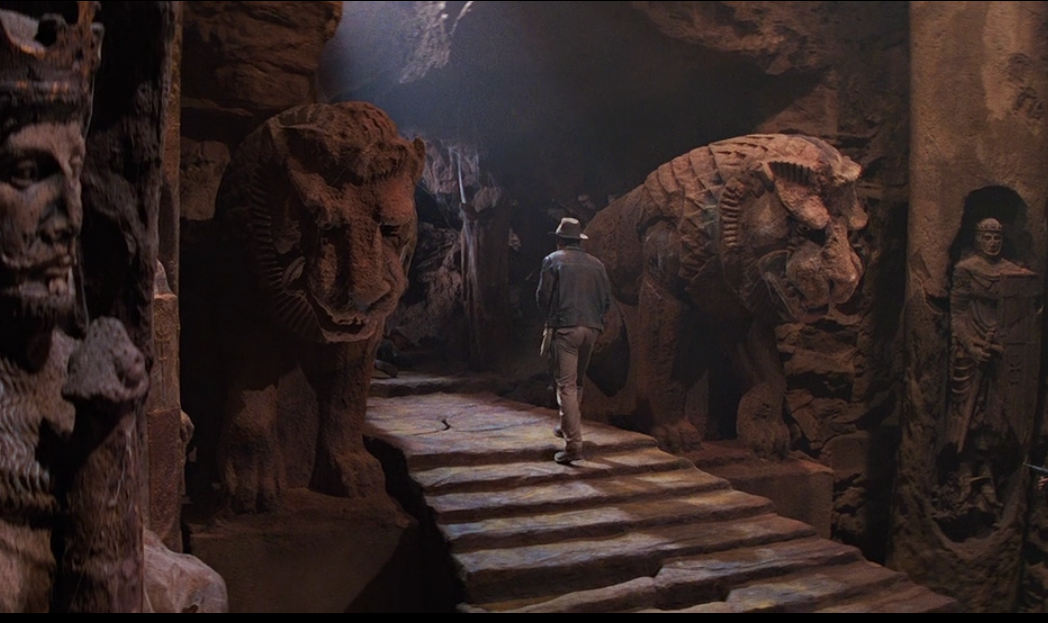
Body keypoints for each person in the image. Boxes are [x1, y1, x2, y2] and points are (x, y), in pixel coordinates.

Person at [536, 217, 612, 464]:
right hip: (592, 328)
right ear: (579, 241)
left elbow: (543, 297)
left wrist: (551, 317)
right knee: (577, 383)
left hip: (566, 329)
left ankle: (573, 445)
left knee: (566, 386)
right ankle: (565, 425)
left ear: (559, 240)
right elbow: (606, 300)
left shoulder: (552, 260)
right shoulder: (597, 265)